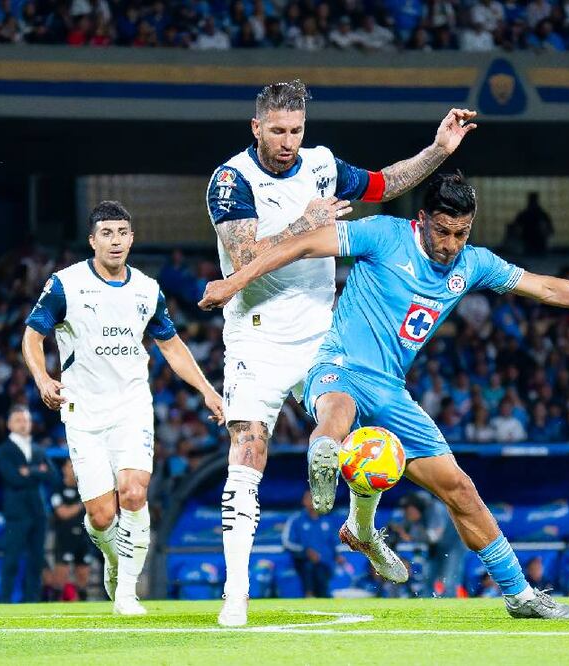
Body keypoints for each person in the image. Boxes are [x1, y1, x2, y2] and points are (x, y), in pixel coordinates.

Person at [200, 172, 569, 619]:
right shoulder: (384, 235)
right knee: (335, 413)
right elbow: (303, 245)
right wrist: (234, 281)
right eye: (443, 231)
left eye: (462, 233)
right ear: (423, 220)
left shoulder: (472, 264)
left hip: (392, 392)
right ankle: (324, 456)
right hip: (340, 365)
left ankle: (518, 595)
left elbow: (548, 288)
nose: (451, 244)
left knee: (460, 489)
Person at [203, 79, 477, 626]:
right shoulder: (232, 179)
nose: (287, 141)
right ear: (257, 128)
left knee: (363, 446)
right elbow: (242, 257)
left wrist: (438, 150)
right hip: (256, 337)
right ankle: (236, 593)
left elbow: (383, 183)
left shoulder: (322, 165)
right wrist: (305, 224)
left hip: (324, 339)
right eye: (277, 130)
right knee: (249, 452)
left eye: (296, 130)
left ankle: (363, 532)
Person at [23, 201, 224, 616]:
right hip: (83, 410)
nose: (116, 241)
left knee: (133, 493)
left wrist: (207, 389)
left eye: (122, 233)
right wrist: (44, 378)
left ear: (132, 238)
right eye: (107, 234)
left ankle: (128, 591)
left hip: (132, 404)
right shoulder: (65, 284)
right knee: (100, 516)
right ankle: (114, 561)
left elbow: (171, 347)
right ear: (93, 240)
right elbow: (32, 337)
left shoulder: (148, 289)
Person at [0, 405, 57, 603]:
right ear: (9, 424)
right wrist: (37, 472)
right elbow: (13, 478)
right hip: (17, 513)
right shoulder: (4, 450)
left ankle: (32, 600)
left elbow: (53, 475)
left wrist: (28, 471)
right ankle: (5, 601)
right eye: (19, 420)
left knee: (36, 559)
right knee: (12, 559)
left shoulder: (38, 450)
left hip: (38, 512)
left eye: (27, 420)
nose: (24, 424)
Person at [50, 458, 93, 601]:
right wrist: (82, 504)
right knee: (60, 577)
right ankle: (55, 607)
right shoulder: (57, 489)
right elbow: (62, 513)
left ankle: (83, 607)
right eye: (70, 466)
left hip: (83, 537)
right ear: (63, 469)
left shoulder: (85, 489)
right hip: (64, 538)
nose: (74, 470)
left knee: (83, 575)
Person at [282, 490, 338, 598]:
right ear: (303, 501)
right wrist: (305, 551)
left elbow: (334, 542)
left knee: (322, 579)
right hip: (303, 561)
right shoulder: (296, 520)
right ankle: (309, 595)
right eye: (309, 498)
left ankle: (324, 597)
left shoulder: (327, 521)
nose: (312, 501)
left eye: (315, 498)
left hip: (325, 563)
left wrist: (338, 556)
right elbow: (287, 542)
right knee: (309, 567)